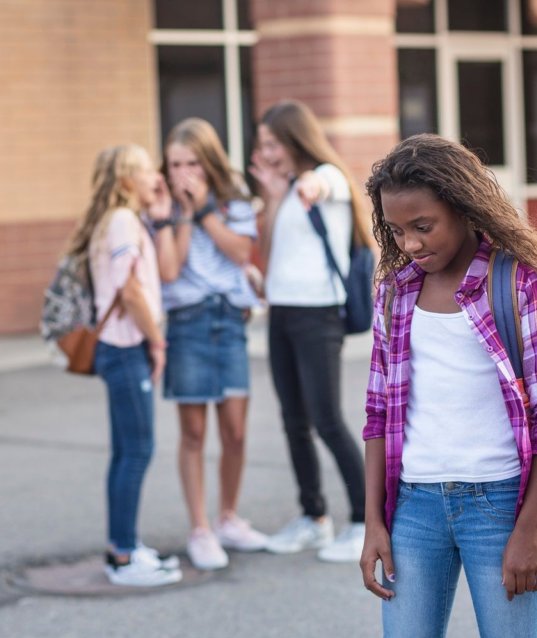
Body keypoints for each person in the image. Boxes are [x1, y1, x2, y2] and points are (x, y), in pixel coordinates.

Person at [358, 134, 537, 638]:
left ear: (463, 207)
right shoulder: (395, 291)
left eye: (423, 227)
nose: (409, 244)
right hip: (413, 508)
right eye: (396, 230)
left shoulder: (520, 283)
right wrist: (374, 521)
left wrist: (528, 530)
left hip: (499, 507)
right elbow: (377, 413)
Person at [249, 100, 371, 563]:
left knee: (327, 420)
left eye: (272, 144)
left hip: (319, 314)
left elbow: (323, 186)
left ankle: (363, 523)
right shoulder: (282, 191)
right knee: (293, 421)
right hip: (282, 312)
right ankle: (313, 518)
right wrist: (276, 197)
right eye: (261, 145)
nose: (266, 153)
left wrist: (308, 185)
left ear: (295, 139)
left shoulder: (327, 177)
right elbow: (269, 251)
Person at [151, 118, 269, 570]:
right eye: (175, 163)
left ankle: (228, 518)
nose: (183, 171)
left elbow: (240, 252)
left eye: (192, 162)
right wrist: (180, 214)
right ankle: (200, 527)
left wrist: (203, 210)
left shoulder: (233, 198)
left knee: (235, 431)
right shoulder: (166, 205)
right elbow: (173, 267)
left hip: (228, 318)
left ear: (209, 162)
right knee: (194, 432)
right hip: (188, 320)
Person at [63, 144, 182, 588]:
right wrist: (157, 342)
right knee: (137, 451)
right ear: (125, 178)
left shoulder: (122, 221)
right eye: (147, 168)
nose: (156, 175)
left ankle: (123, 545)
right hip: (127, 347)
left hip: (119, 348)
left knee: (126, 452)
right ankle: (124, 557)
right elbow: (130, 292)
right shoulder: (122, 222)